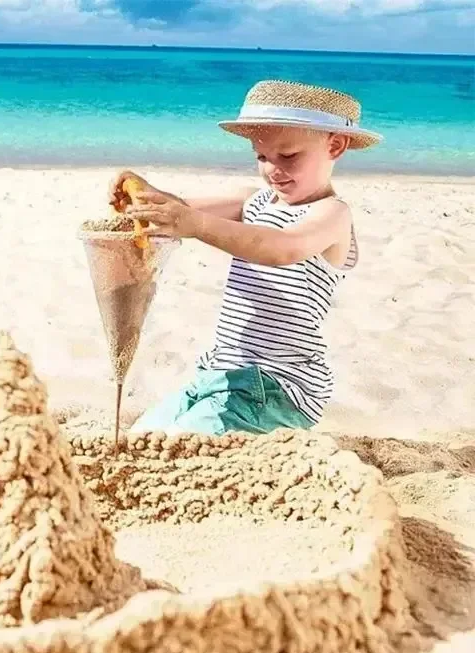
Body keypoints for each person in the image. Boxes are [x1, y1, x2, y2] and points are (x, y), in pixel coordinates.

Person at [110, 79, 382, 436]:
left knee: (183, 447)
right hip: (217, 374)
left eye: (288, 156)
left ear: (335, 145)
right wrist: (143, 191)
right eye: (262, 157)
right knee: (143, 437)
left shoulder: (331, 215)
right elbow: (178, 208)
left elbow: (280, 248)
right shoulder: (254, 201)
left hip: (276, 388)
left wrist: (197, 225)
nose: (272, 169)